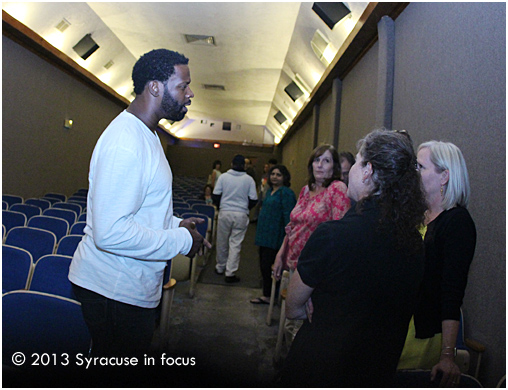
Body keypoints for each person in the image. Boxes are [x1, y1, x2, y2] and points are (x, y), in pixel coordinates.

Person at [68, 49, 211, 359]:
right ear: (155, 87)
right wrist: (181, 239)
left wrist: (175, 223)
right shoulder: (126, 142)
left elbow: (139, 210)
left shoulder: (147, 134)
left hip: (128, 289)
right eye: (182, 86)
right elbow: (111, 233)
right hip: (112, 294)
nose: (190, 93)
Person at [279, 129, 427, 387]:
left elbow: (292, 307)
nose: (352, 170)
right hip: (376, 371)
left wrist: (316, 300)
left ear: (368, 170)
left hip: (320, 369)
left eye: (357, 162)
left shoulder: (332, 235)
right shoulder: (416, 243)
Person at [398, 141, 476, 387]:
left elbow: (451, 293)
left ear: (444, 176)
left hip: (422, 334)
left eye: (420, 167)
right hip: (397, 324)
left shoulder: (457, 222)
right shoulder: (416, 216)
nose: (414, 172)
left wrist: (447, 356)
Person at [272, 144, 350, 341]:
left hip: (314, 271)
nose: (320, 165)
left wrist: (319, 283)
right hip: (293, 264)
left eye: (326, 161)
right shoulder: (306, 190)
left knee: (302, 329)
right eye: (317, 160)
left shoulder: (337, 189)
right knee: (291, 325)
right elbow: (293, 225)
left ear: (334, 167)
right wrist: (281, 254)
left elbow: (339, 235)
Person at [251, 165, 296, 304]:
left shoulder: (286, 193)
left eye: (279, 175)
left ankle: (271, 296)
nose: (275, 177)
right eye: (273, 174)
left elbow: (289, 216)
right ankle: (267, 294)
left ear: (284, 178)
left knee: (271, 267)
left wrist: (287, 237)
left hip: (276, 236)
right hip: (264, 235)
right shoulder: (269, 190)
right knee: (264, 266)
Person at [213, 155, 258, 283]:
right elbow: (254, 199)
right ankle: (230, 272)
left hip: (225, 212)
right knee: (235, 243)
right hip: (241, 214)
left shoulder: (223, 177)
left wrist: (221, 206)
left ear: (232, 164)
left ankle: (220, 267)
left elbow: (216, 195)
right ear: (244, 166)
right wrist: (245, 208)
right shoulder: (249, 180)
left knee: (222, 241)